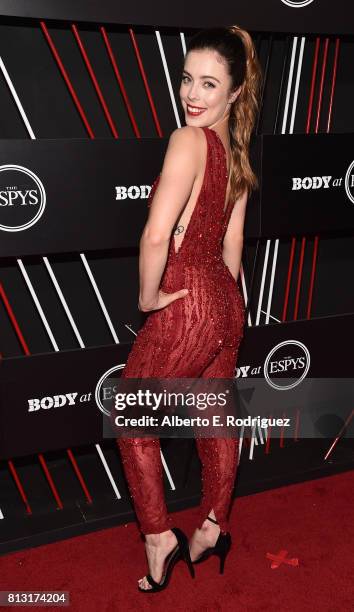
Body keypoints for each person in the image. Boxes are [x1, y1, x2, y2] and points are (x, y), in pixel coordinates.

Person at [116, 24, 262, 592]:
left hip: (189, 302)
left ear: (235, 93)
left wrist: (149, 298)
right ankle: (211, 526)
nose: (192, 95)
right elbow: (233, 250)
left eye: (209, 83)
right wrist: (226, 313)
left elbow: (156, 236)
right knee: (215, 420)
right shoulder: (240, 159)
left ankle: (159, 537)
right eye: (186, 80)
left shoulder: (187, 140)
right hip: (228, 303)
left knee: (131, 418)